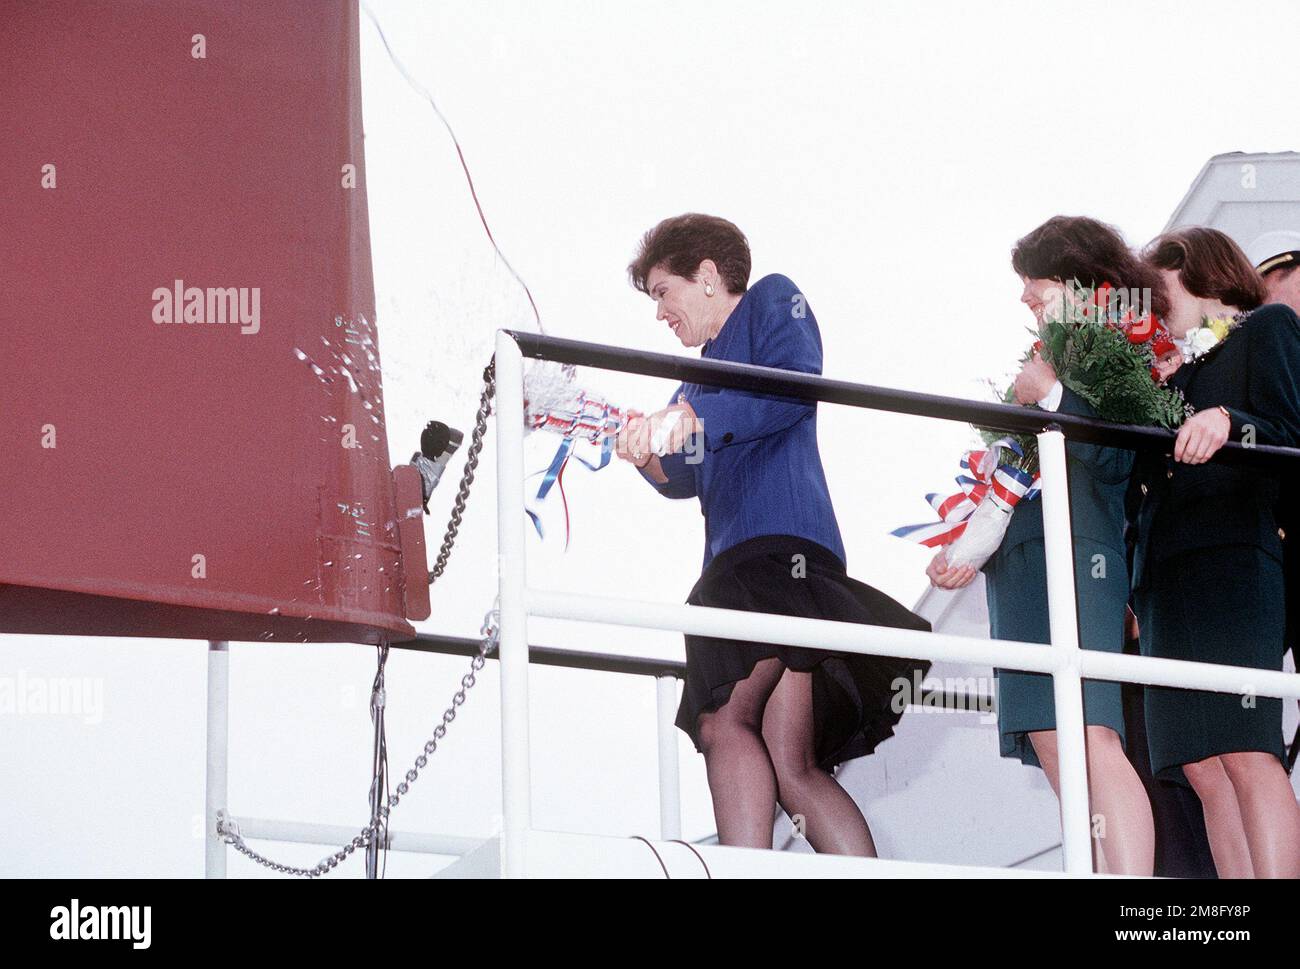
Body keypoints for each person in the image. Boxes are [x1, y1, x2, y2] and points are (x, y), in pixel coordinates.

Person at [616, 213, 930, 855]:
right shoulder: (693, 380)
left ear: (706, 276)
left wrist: (694, 413)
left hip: (770, 555)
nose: (659, 314)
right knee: (793, 766)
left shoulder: (769, 298)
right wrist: (646, 454)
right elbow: (685, 477)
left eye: (661, 293)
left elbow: (794, 387)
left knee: (722, 718)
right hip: (755, 560)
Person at [926, 216, 1156, 874]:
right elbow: (1010, 475)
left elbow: (1118, 456)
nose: (1025, 297)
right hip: (1022, 564)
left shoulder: (1118, 344)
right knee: (1050, 734)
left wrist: (1050, 395)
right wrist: (970, 543)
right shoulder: (1043, 355)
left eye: (1039, 282)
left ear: (1086, 282)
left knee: (1090, 731)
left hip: (1079, 553)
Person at [1134, 226, 1300, 877]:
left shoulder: (1269, 329)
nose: (1147, 299)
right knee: (1199, 765)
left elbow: (1292, 428)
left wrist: (1232, 421)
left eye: (1157, 281)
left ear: (1193, 270)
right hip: (1165, 579)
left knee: (1246, 748)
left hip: (1233, 561)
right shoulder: (1164, 371)